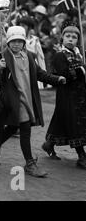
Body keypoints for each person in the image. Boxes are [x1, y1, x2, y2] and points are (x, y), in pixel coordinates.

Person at [0, 26, 66, 177]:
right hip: (12, 101)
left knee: (11, 128)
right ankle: (30, 163)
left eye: (19, 41)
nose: (16, 44)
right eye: (13, 41)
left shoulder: (28, 56)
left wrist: (57, 79)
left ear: (24, 42)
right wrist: (0, 69)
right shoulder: (2, 57)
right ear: (8, 42)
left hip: (27, 98)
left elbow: (40, 74)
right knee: (24, 128)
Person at [42, 25, 86, 169]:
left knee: (62, 119)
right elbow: (64, 74)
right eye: (68, 36)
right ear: (62, 37)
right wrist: (79, 71)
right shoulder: (60, 55)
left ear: (78, 40)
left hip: (80, 95)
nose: (70, 40)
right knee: (74, 123)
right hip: (66, 93)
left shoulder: (80, 54)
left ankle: (49, 144)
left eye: (74, 37)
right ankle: (81, 156)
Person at [18, 16, 46, 89]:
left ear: (29, 27)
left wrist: (43, 72)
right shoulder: (18, 40)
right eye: (20, 25)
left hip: (34, 66)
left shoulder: (35, 40)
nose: (21, 27)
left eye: (23, 25)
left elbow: (40, 57)